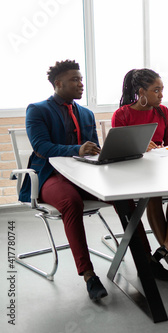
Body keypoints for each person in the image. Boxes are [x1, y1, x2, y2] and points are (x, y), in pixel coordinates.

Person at [21, 60, 108, 301]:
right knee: (71, 203)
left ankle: (146, 258)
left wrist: (99, 151)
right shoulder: (37, 110)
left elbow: (93, 147)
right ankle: (89, 275)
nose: (81, 84)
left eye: (81, 79)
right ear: (58, 84)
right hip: (50, 175)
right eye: (75, 80)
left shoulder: (87, 113)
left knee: (125, 196)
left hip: (84, 175)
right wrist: (77, 149)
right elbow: (41, 147)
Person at [112, 68, 168, 276]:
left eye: (162, 90)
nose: (161, 95)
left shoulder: (162, 111)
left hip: (161, 167)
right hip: (135, 171)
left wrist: (165, 149)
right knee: (152, 195)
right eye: (156, 90)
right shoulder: (122, 114)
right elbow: (118, 148)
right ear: (142, 92)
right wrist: (141, 145)